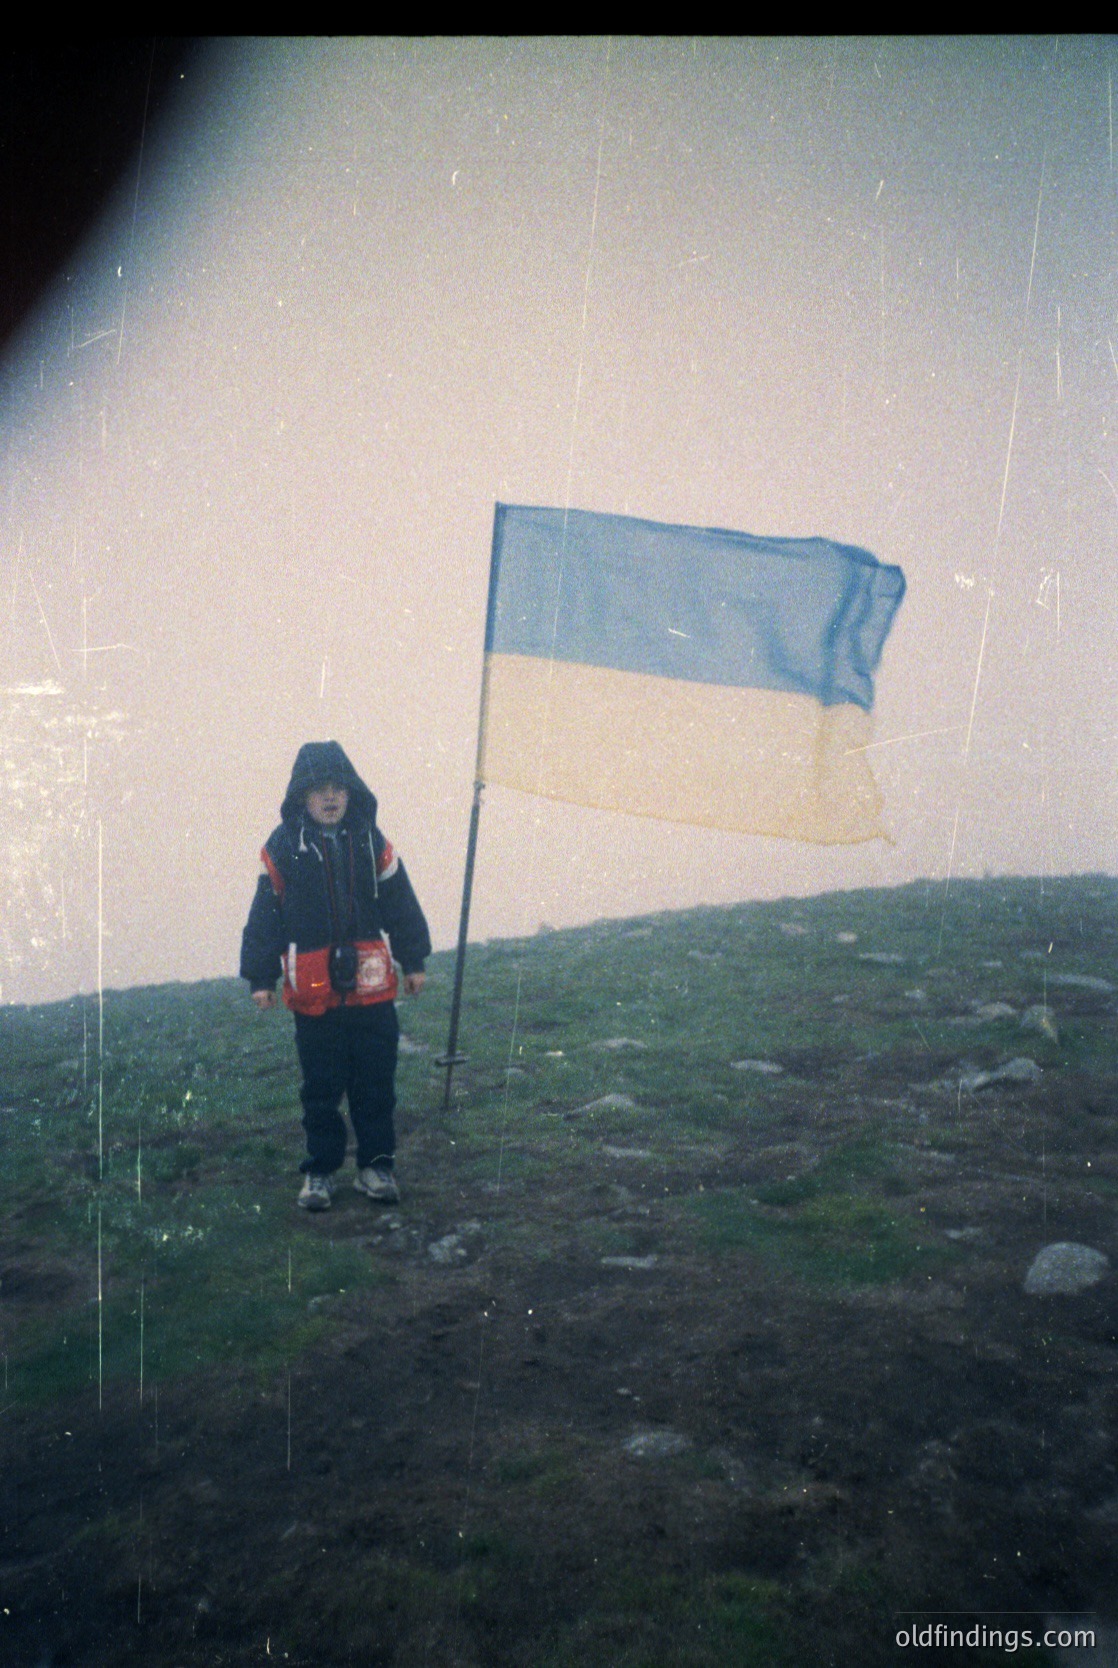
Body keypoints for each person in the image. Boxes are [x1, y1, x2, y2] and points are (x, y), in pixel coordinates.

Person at [240, 741, 431, 1211]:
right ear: (300, 796)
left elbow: (400, 903)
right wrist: (260, 979)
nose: (330, 798)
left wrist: (415, 959)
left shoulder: (371, 841)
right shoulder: (282, 848)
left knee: (375, 1084)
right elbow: (264, 918)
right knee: (321, 1089)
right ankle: (320, 1173)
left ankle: (376, 1167)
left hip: (372, 993)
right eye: (319, 790)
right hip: (314, 998)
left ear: (351, 793)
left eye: (338, 789)